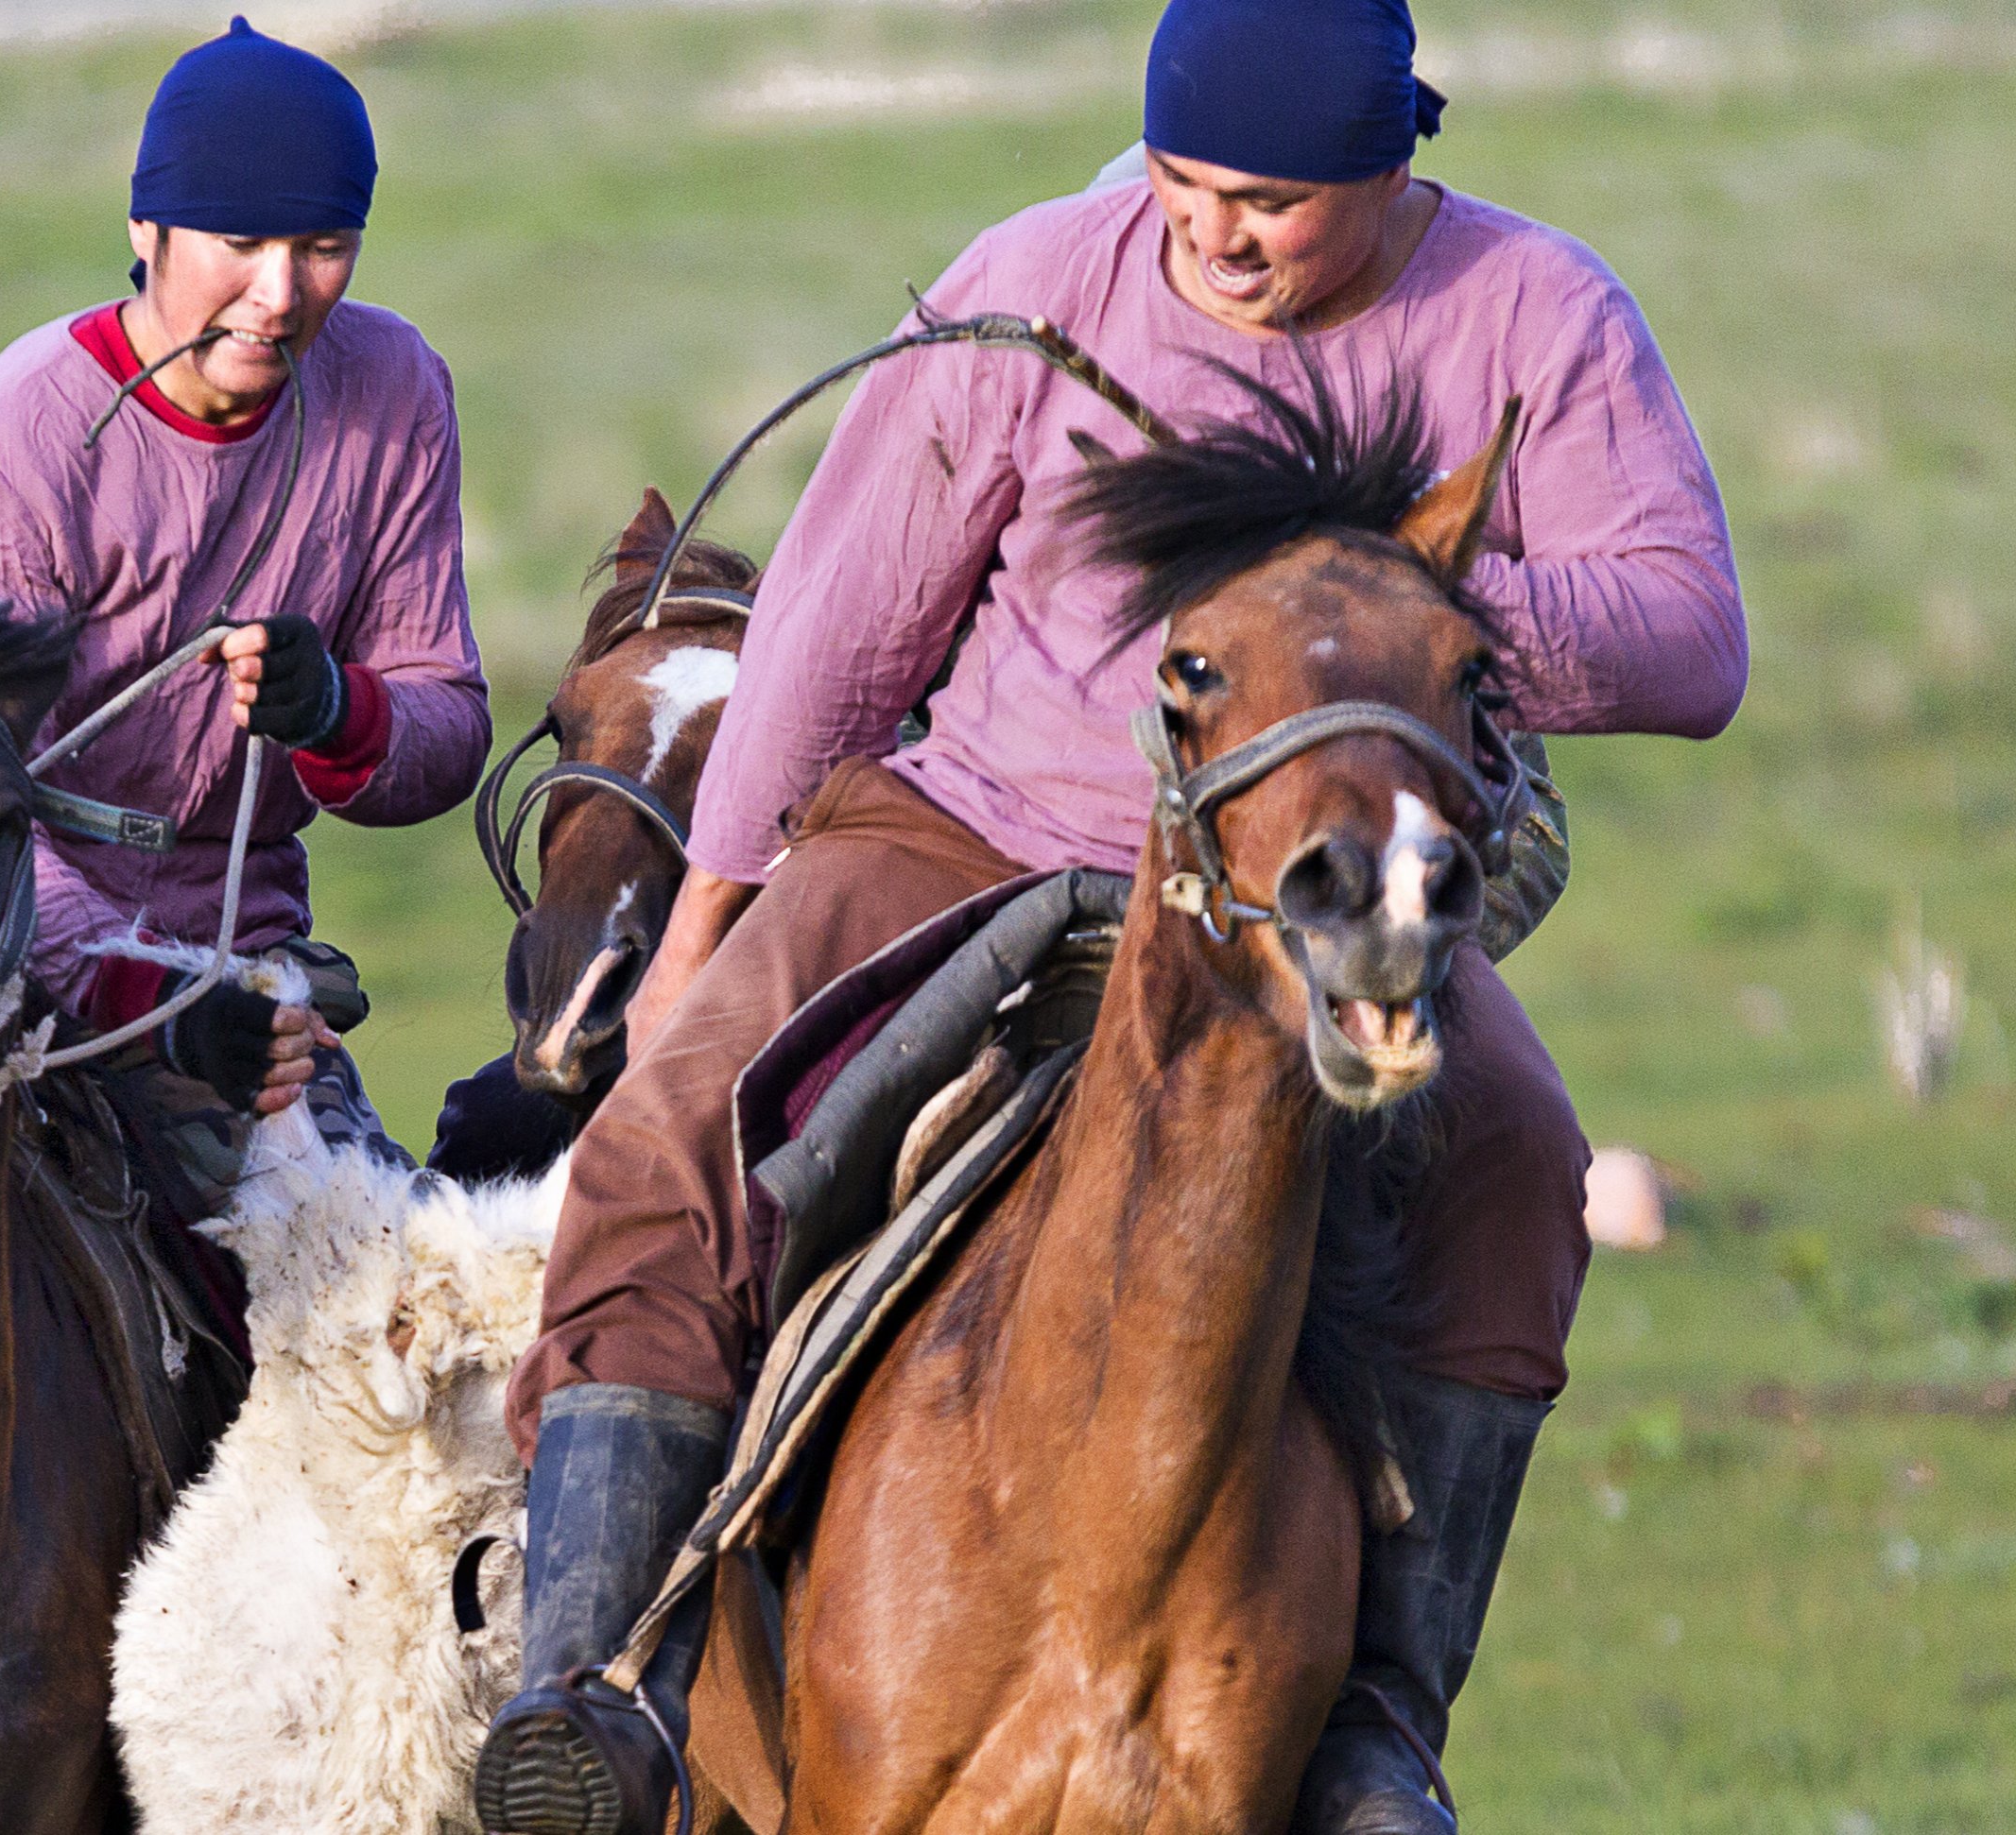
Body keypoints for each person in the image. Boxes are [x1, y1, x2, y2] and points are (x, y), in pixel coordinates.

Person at [470, 0, 1751, 1828]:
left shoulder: (1534, 312)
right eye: (1181, 185)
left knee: (1516, 1157)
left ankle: (1380, 1724)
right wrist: (702, 943)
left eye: (1270, 203)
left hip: (1291, 896)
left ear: (1394, 166)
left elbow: (1692, 635)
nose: (1212, 235)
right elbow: (834, 640)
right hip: (971, 833)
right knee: (665, 1148)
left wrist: (1390, 622)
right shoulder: (1036, 285)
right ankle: (593, 1692)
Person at [0, 16, 491, 1196]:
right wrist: (152, 999)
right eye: (239, 241)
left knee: (408, 1328)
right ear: (146, 229)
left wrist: (341, 711)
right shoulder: (16, 444)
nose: (280, 295)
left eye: (324, 245)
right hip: (17, 960)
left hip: (257, 975)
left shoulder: (396, 387)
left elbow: (450, 725)